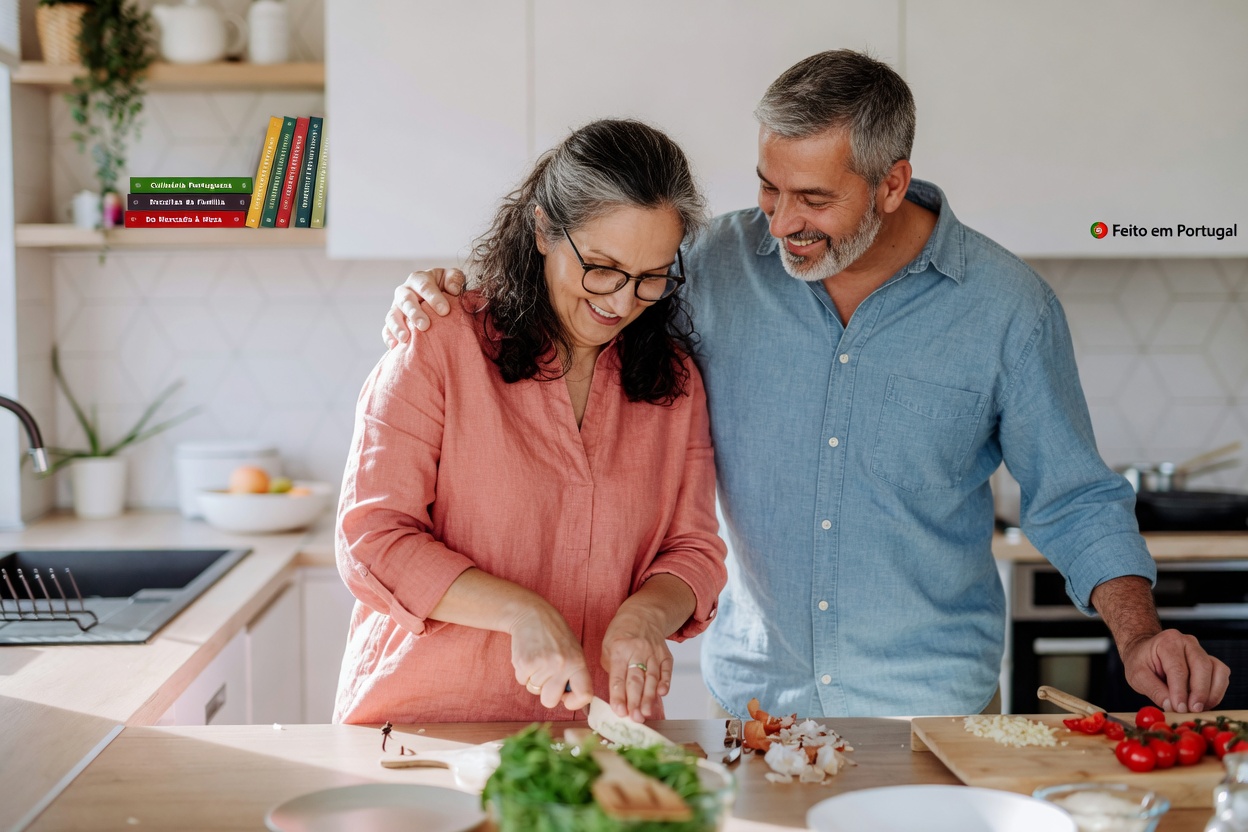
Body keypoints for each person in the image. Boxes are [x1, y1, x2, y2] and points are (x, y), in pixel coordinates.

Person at [381, 51, 1231, 718]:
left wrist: (1138, 633)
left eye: (814, 198)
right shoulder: (711, 266)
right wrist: (447, 293)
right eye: (768, 186)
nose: (781, 221)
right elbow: (587, 276)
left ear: (891, 183)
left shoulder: (1009, 311)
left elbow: (1075, 498)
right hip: (751, 703)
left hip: (930, 707)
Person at [335, 118, 727, 725]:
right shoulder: (440, 339)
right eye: (601, 266)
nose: (621, 303)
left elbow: (694, 549)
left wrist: (647, 614)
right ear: (544, 228)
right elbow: (374, 538)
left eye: (651, 278)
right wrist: (521, 612)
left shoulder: (673, 383)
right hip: (427, 731)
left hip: (599, 738)